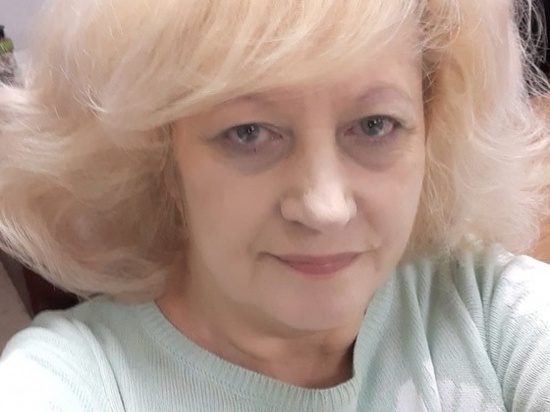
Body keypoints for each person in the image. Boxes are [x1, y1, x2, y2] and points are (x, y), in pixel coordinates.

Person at [0, 0, 550, 410]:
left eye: (374, 125)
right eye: (248, 133)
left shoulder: (488, 310)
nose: (324, 208)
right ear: (161, 156)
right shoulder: (80, 379)